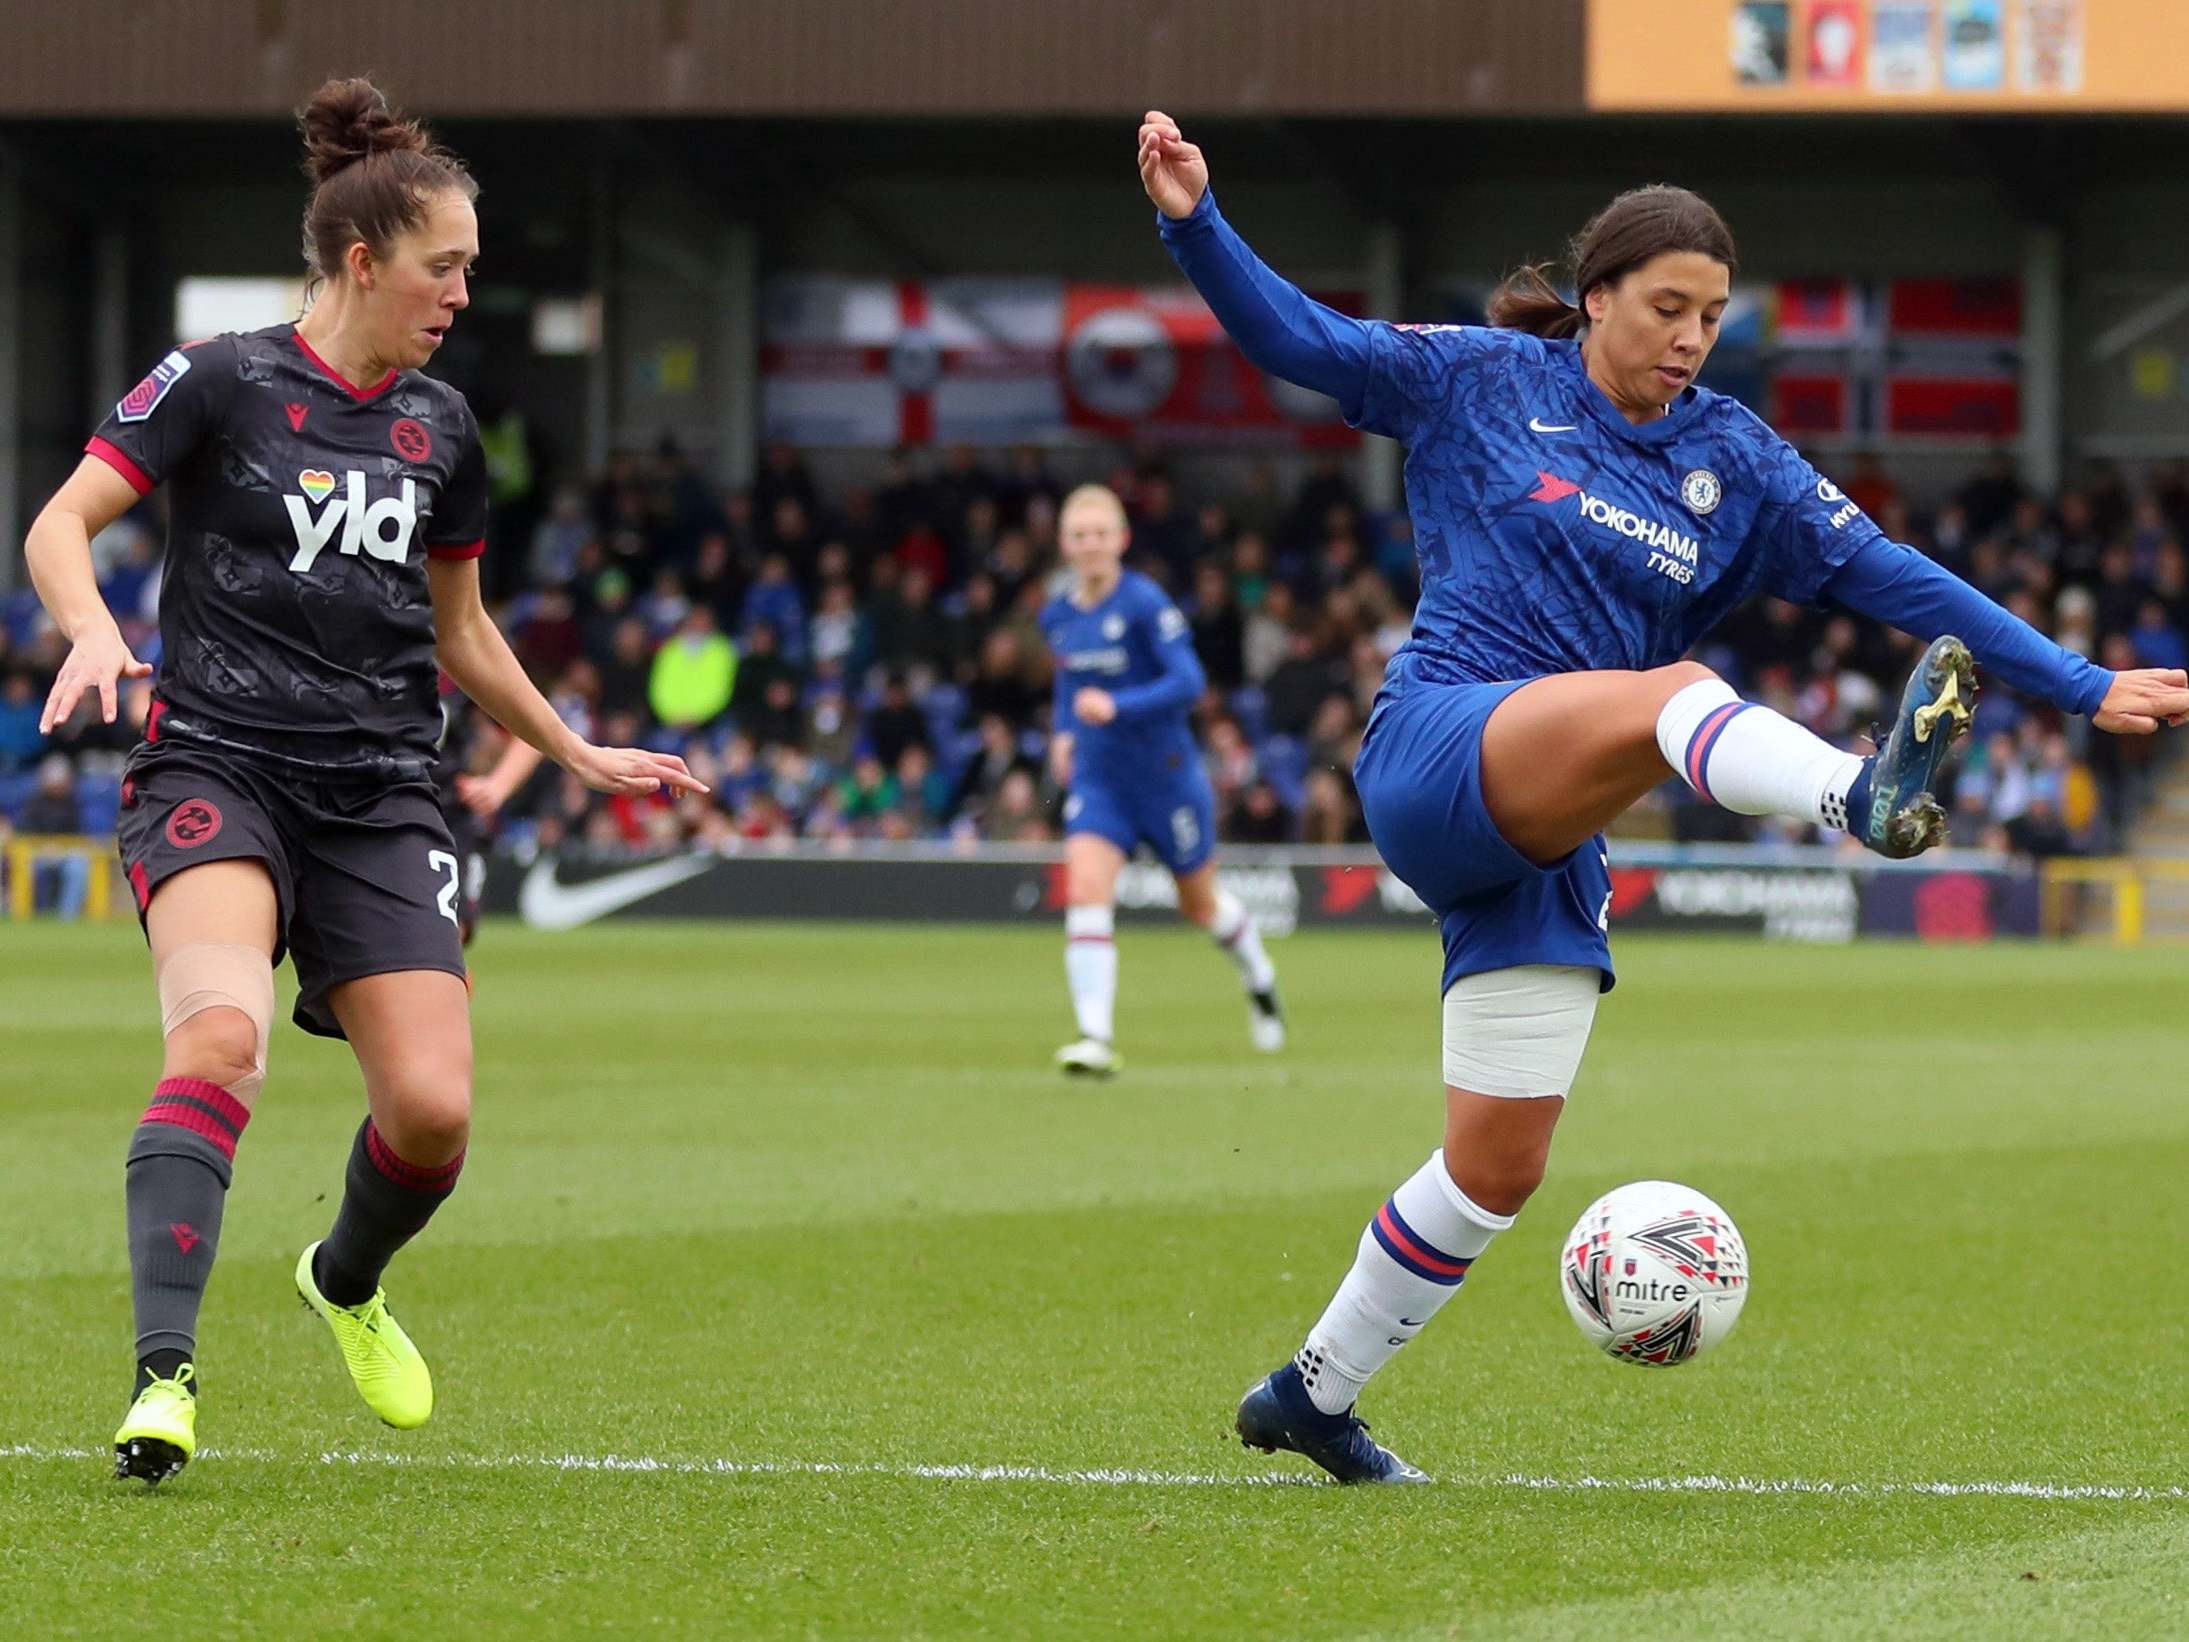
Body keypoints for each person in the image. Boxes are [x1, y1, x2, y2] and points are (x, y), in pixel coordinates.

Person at [1137, 110, 2189, 1483]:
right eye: (1667, 307)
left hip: (1550, 833)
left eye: (1712, 315)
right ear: (1597, 299)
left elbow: (1897, 581)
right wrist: (1192, 221)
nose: (1692, 336)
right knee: (1666, 691)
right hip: (1438, 745)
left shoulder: (1735, 459)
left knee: (1496, 1166)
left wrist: (2070, 677)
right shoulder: (1478, 378)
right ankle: (1858, 799)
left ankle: (1313, 1393)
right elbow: (1295, 338)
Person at [25, 78, 703, 1488]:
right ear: (360, 262)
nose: (462, 291)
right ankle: (165, 1379)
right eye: (443, 266)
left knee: (434, 1115)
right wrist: (92, 622)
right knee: (218, 1042)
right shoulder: (218, 376)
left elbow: (460, 632)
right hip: (217, 761)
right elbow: (61, 521)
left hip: (386, 790)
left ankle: (341, 1278)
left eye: (466, 266)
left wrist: (571, 745)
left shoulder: (443, 428)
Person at [1040, 484, 1285, 1077]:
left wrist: (1117, 706)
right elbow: (1072, 684)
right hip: (1101, 782)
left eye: (1101, 534)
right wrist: (1064, 731)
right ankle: (1094, 1037)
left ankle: (1261, 978)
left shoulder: (1146, 603)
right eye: (1080, 535)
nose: (1091, 544)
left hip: (1167, 781)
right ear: (1065, 544)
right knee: (1087, 890)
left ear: (1121, 540)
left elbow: (1189, 683)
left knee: (1199, 905)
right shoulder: (1058, 614)